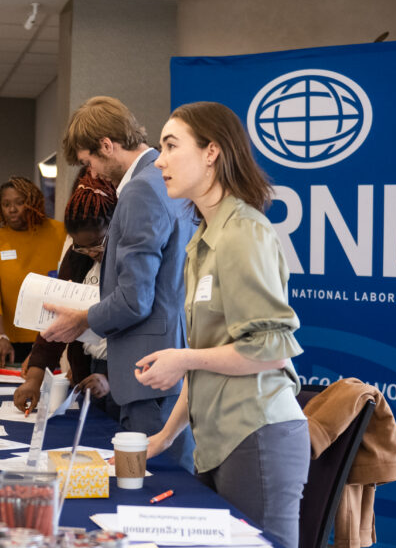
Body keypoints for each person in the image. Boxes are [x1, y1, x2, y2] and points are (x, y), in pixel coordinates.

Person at [137, 101, 309, 547]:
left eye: (171, 145)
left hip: (257, 434)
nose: (160, 160)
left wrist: (182, 358)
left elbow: (272, 348)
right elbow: (215, 355)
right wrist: (165, 436)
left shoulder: (243, 233)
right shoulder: (204, 240)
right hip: (222, 440)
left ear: (212, 152)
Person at [40, 96, 195, 472]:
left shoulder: (142, 189)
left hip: (150, 373)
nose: (91, 173)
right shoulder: (164, 180)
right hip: (167, 364)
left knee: (154, 488)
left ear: (107, 145)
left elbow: (134, 299)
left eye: (89, 161)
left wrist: (81, 319)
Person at [14, 171, 117, 415]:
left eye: (98, 245)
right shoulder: (77, 254)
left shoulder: (131, 260)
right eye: (82, 247)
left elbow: (139, 329)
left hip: (123, 373)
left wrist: (111, 377)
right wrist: (34, 379)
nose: (91, 252)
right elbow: (56, 319)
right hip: (86, 371)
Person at [0, 176, 67, 367]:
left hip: (58, 335)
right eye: (6, 204)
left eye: (19, 202)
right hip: (12, 341)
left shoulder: (61, 233)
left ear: (33, 202)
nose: (12, 209)